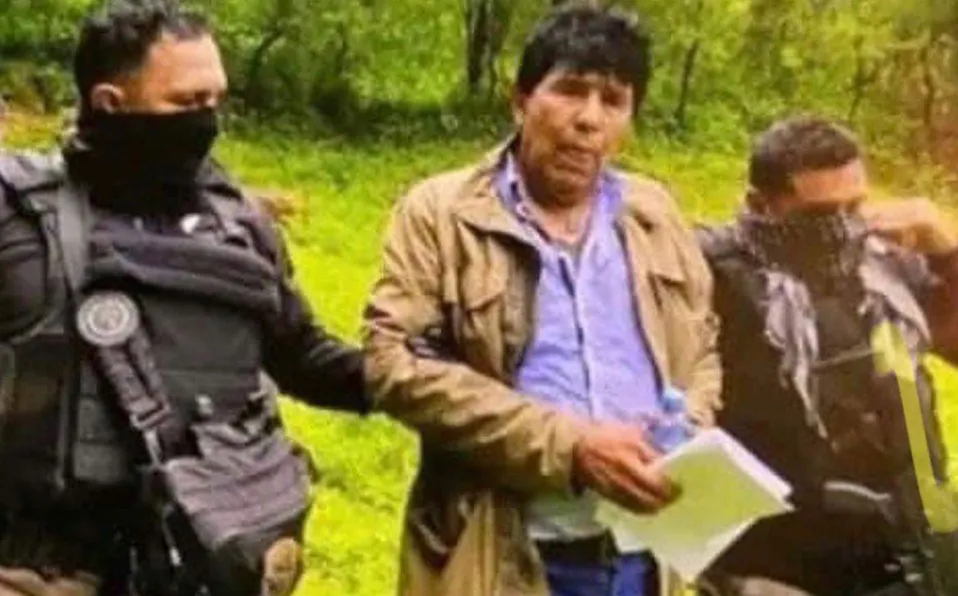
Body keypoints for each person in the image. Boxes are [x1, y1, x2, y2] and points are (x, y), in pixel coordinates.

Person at [0, 1, 368, 595]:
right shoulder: (19, 217)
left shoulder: (238, 228)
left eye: (215, 100)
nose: (207, 120)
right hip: (42, 571)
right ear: (109, 103)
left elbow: (303, 355)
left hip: (199, 567)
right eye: (187, 102)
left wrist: (420, 379)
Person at [363, 4, 722, 595]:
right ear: (521, 101)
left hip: (639, 558)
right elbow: (395, 363)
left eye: (613, 100)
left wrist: (683, 435)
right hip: (502, 554)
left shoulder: (653, 214)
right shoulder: (442, 213)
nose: (589, 119)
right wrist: (572, 446)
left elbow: (701, 346)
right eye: (570, 90)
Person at [697, 115, 958, 595]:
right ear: (760, 204)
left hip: (917, 544)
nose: (842, 227)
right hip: (777, 562)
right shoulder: (712, 275)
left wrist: (948, 255)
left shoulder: (887, 264)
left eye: (855, 207)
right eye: (820, 213)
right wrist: (725, 573)